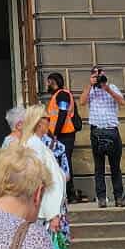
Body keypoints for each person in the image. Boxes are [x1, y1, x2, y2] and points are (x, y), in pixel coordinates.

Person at [10, 107, 80, 249]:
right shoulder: (34, 145)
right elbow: (42, 184)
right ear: (38, 122)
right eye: (46, 119)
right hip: (43, 213)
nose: (50, 122)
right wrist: (52, 214)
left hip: (46, 211)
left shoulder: (38, 144)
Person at [84, 67, 125, 208]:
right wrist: (90, 85)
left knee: (115, 166)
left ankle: (118, 197)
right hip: (96, 130)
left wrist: (106, 88)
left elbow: (122, 102)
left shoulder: (111, 87)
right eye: (96, 75)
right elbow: (82, 101)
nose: (99, 78)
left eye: (100, 75)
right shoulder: (90, 89)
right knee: (99, 167)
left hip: (111, 130)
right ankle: (101, 198)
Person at [44, 72, 80, 201]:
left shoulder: (62, 95)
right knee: (60, 164)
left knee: (65, 164)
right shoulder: (56, 96)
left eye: (48, 82)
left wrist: (55, 133)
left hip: (64, 135)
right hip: (59, 135)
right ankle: (65, 193)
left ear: (53, 81)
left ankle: (70, 193)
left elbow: (63, 114)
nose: (47, 85)